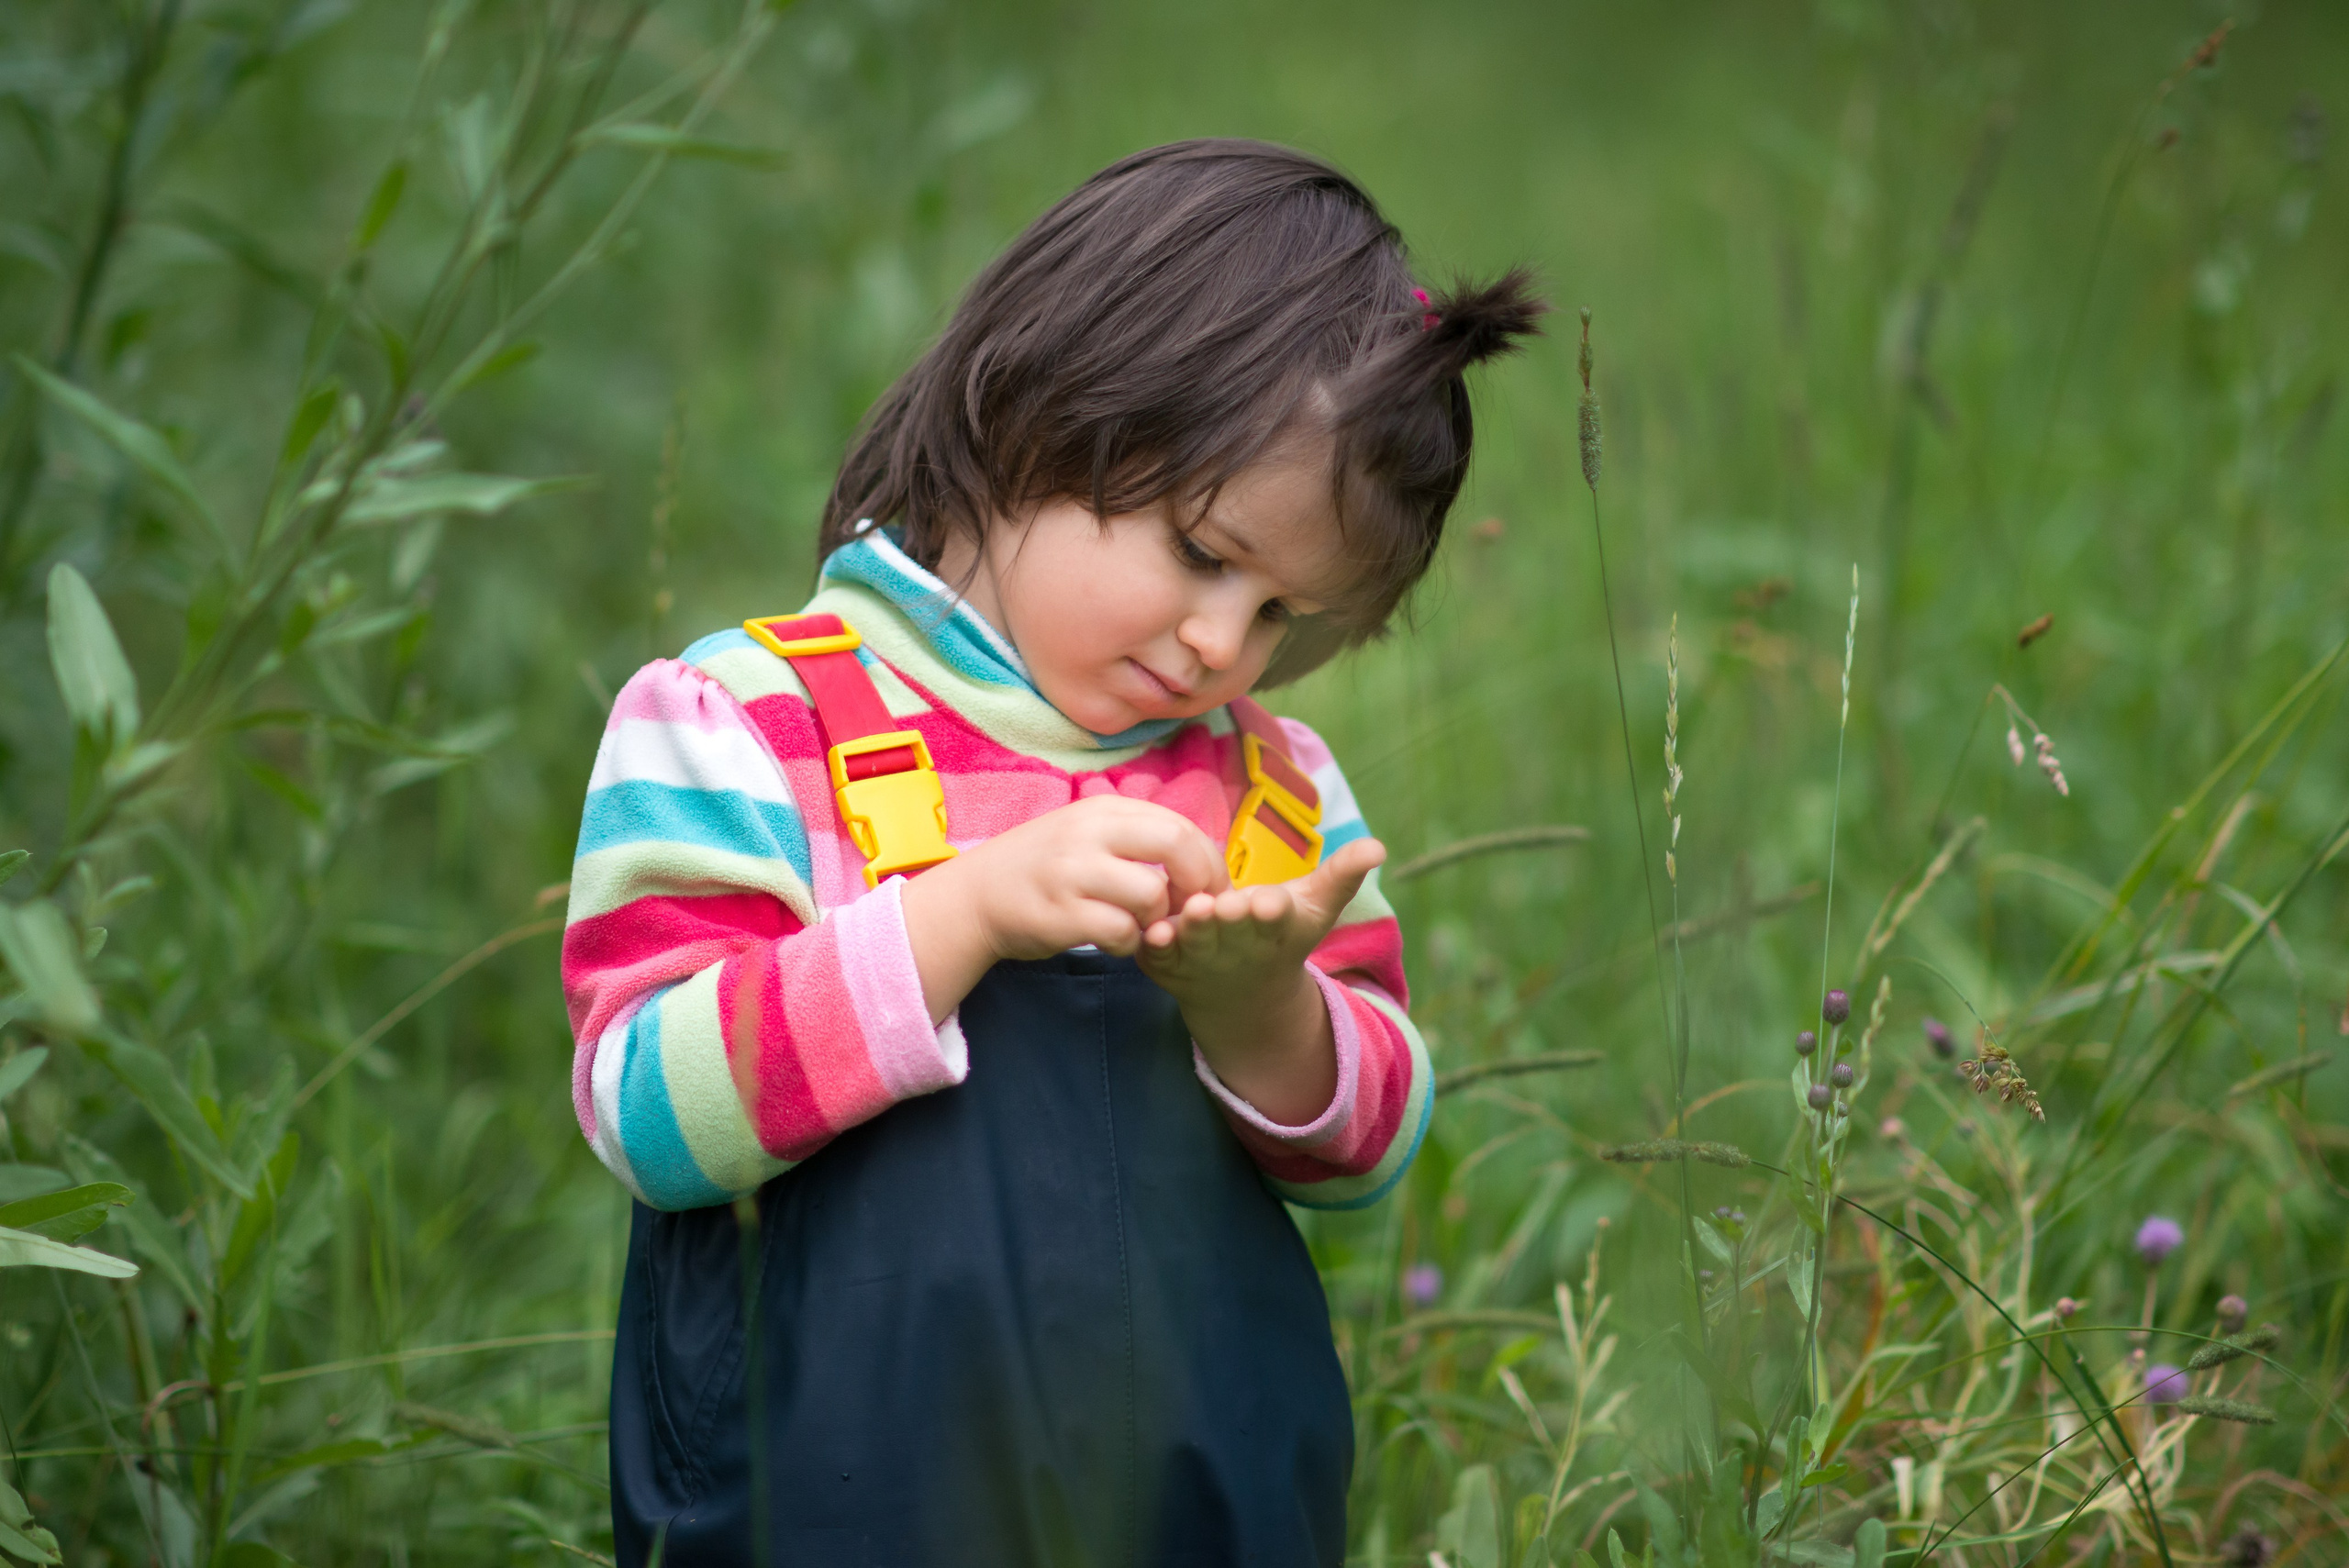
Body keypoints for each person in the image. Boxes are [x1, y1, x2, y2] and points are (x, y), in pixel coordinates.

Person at [561, 138, 1543, 1567]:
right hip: (833, 1500)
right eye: (1204, 552)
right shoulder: (750, 724)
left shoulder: (1273, 791)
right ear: (1034, 414)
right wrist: (953, 918)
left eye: (1282, 614)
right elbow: (646, 1111)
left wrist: (1265, 1010)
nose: (1224, 643)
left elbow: (1370, 1150)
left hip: (1194, 1501)